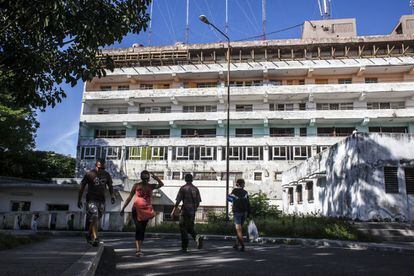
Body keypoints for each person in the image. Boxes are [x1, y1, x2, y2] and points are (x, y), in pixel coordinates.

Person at [120, 170, 164, 257]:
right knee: (139, 229)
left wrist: (156, 177)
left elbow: (161, 184)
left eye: (146, 177)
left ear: (148, 178)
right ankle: (138, 250)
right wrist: (123, 208)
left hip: (146, 211)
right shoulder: (136, 185)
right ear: (141, 177)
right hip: (136, 209)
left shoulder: (151, 186)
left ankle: (139, 248)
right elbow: (129, 197)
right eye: (144, 177)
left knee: (142, 230)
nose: (145, 179)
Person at [78, 159, 115, 246]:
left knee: (96, 219)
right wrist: (79, 199)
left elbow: (110, 186)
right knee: (95, 215)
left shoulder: (106, 174)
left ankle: (89, 234)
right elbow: (82, 187)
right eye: (99, 167)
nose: (101, 169)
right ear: (96, 165)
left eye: (102, 167)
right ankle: (95, 238)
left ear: (104, 166)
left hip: (101, 200)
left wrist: (112, 196)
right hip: (91, 199)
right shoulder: (89, 174)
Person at [171, 174, 203, 252]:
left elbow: (178, 201)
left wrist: (173, 211)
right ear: (192, 179)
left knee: (183, 228)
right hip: (192, 212)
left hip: (185, 211)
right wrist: (194, 209)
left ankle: (184, 248)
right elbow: (198, 202)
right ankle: (197, 237)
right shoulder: (195, 189)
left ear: (185, 179)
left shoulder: (183, 188)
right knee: (190, 228)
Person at [229, 178, 250, 252]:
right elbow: (248, 203)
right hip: (244, 213)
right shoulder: (245, 192)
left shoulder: (234, 191)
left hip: (237, 212)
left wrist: (235, 201)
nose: (244, 185)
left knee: (238, 230)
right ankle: (236, 244)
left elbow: (229, 198)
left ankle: (242, 246)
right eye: (244, 183)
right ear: (241, 184)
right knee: (239, 230)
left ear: (237, 184)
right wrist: (248, 213)